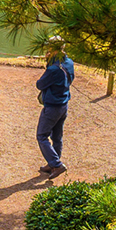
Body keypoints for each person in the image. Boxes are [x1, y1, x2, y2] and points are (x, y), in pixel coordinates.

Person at [35, 37, 74, 176]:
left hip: (52, 107)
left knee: (42, 135)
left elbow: (40, 84)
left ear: (53, 49)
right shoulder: (69, 62)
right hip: (64, 104)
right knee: (57, 136)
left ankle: (57, 165)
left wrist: (49, 64)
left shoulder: (53, 69)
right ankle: (53, 163)